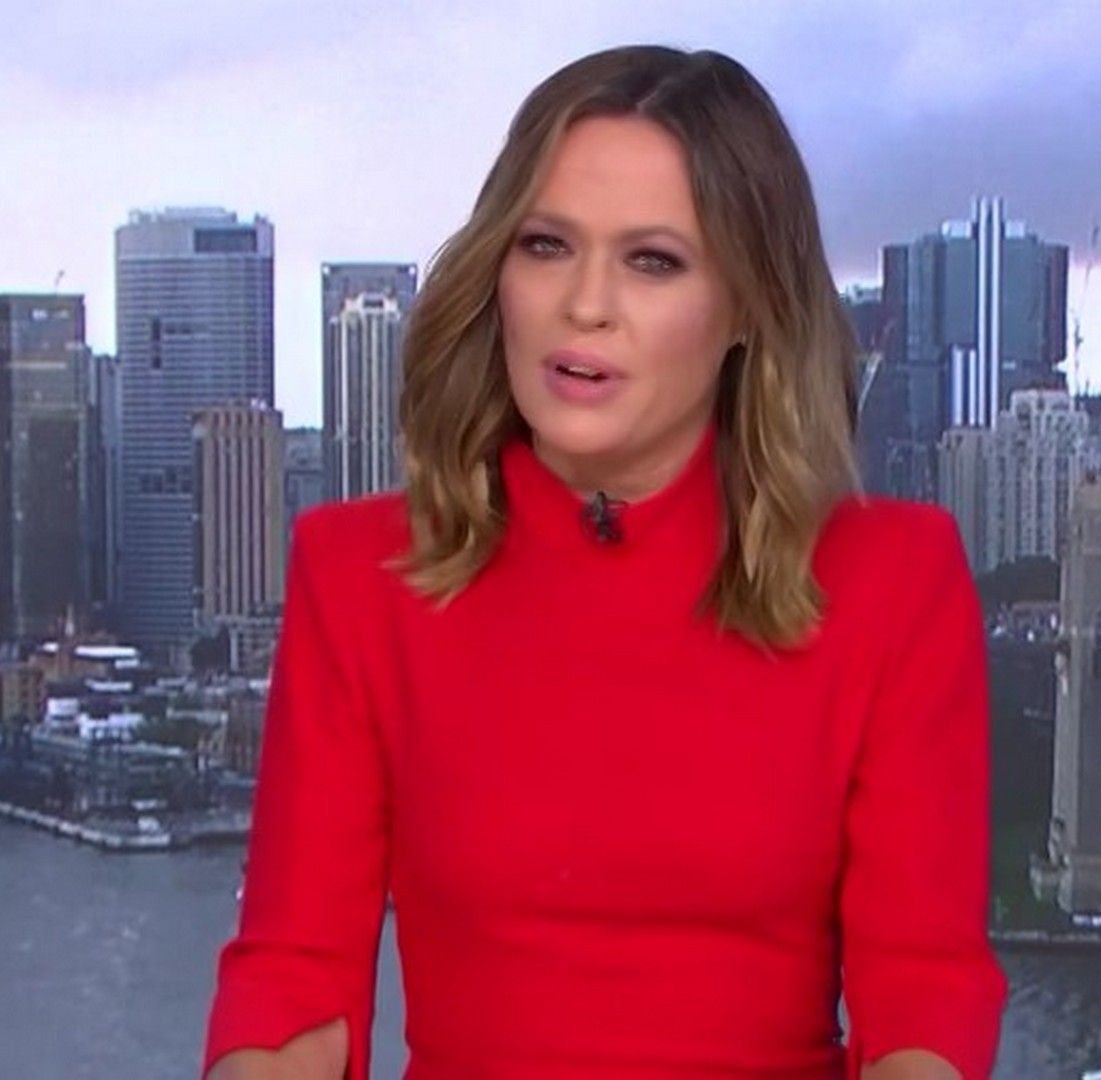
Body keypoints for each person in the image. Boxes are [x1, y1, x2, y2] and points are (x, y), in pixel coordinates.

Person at [202, 44, 1007, 1080]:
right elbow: (295, 980)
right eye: (546, 245)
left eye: (652, 261)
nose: (585, 303)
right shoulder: (359, 574)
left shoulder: (892, 580)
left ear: (748, 307)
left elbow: (922, 995)